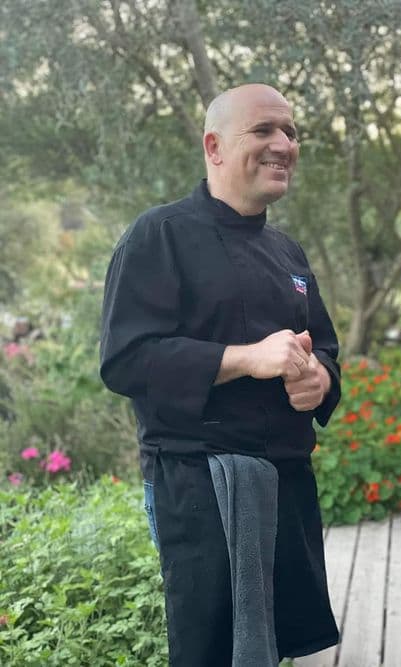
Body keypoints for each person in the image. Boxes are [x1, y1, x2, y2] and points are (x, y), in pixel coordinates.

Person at [100, 83, 341, 666]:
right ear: (214, 146)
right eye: (264, 130)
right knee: (210, 654)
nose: (284, 144)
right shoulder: (159, 235)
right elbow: (127, 359)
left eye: (290, 132)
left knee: (272, 650)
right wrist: (246, 358)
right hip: (201, 489)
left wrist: (321, 380)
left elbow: (326, 347)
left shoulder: (288, 252)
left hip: (287, 483)